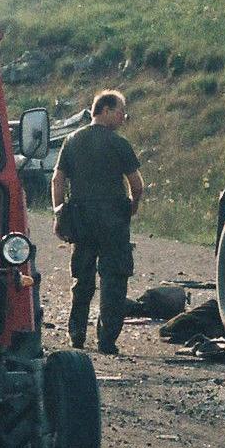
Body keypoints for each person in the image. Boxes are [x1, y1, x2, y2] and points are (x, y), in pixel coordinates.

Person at [50, 89, 143, 355]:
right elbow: (136, 185)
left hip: (82, 218)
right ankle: (107, 340)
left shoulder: (71, 140)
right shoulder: (119, 144)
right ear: (105, 110)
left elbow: (57, 180)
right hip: (113, 219)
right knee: (114, 280)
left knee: (82, 279)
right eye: (121, 111)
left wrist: (60, 212)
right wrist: (132, 208)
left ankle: (76, 334)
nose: (124, 117)